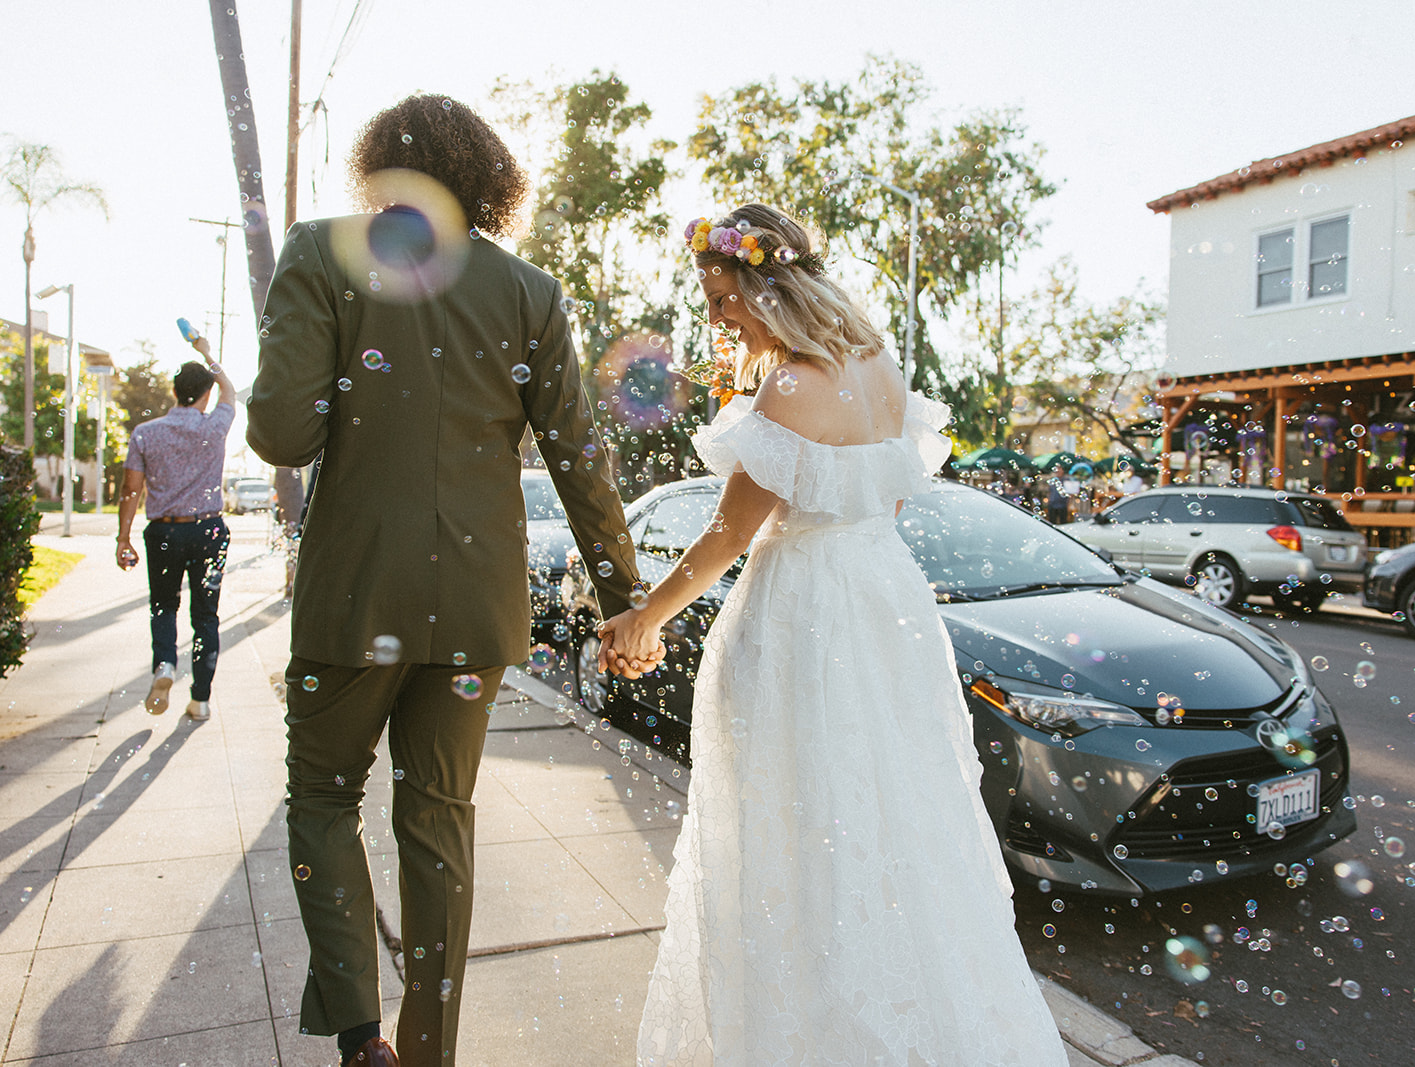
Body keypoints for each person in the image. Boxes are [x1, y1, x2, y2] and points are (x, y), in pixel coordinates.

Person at [602, 205, 1068, 1066]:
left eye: (722, 293)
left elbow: (726, 537)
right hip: (886, 607)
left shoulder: (786, 387)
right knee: (889, 815)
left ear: (766, 284)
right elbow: (882, 503)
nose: (715, 314)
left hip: (802, 617)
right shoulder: (883, 370)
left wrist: (644, 616)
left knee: (794, 821)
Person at [246, 94, 652, 1067]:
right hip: (473, 605)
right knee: (439, 822)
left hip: (350, 597)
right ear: (489, 179)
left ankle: (360, 1035)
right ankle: (431, 1050)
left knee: (322, 799)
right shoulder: (530, 291)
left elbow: (280, 433)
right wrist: (623, 595)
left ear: (378, 167)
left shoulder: (320, 251)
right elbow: (581, 458)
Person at [115, 335, 235, 722]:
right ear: (205, 392)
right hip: (209, 533)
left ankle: (165, 664)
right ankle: (200, 699)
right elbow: (230, 388)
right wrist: (206, 353)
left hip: (164, 533)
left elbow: (131, 490)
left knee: (164, 606)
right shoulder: (217, 424)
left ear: (173, 391)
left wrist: (123, 539)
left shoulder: (146, 433)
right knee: (206, 617)